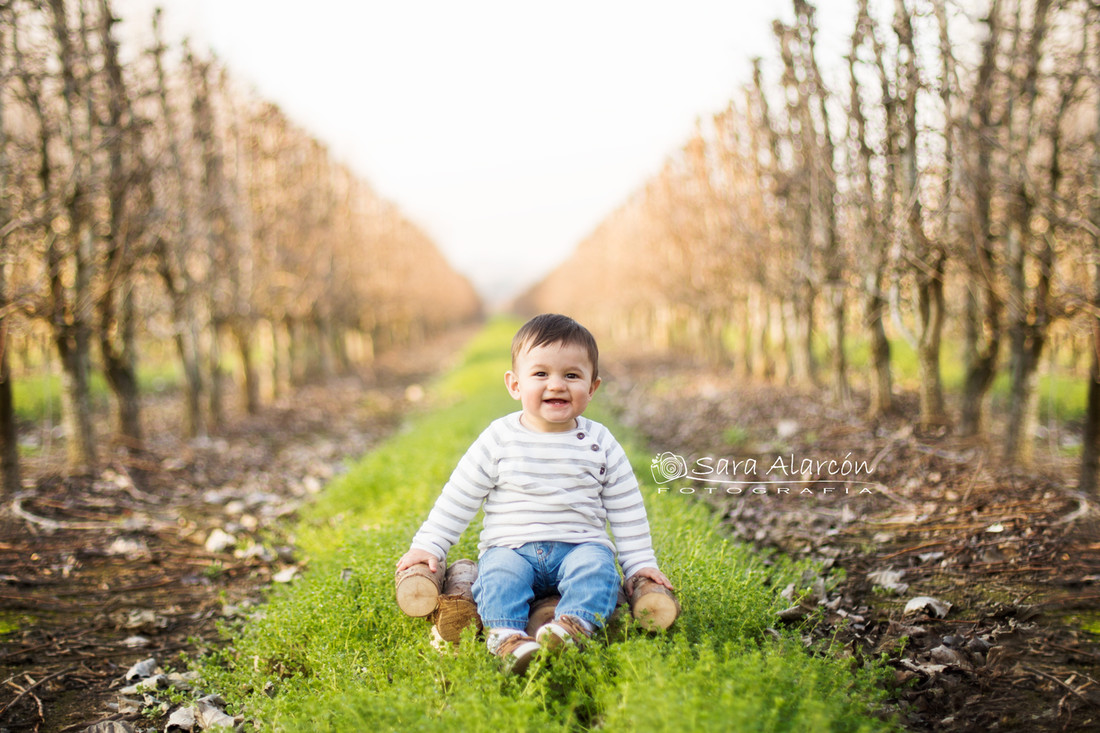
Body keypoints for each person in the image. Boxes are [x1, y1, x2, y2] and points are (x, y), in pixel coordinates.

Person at [395, 313, 673, 674]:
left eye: (571, 375)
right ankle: (507, 637)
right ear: (514, 384)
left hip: (579, 546)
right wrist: (430, 544)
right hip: (513, 548)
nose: (556, 385)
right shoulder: (499, 439)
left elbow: (626, 508)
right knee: (498, 577)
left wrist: (639, 565)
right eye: (540, 374)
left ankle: (572, 627)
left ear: (592, 387)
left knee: (598, 569)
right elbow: (459, 496)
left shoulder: (599, 442)